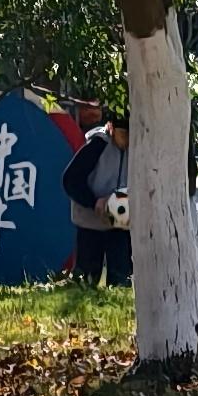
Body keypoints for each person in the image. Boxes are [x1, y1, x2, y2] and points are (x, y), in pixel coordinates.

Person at [61, 109, 132, 286]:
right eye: (122, 134)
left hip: (120, 223)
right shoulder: (97, 145)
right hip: (91, 222)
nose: (126, 140)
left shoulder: (137, 148)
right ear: (112, 129)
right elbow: (71, 180)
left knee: (121, 277)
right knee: (86, 278)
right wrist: (94, 202)